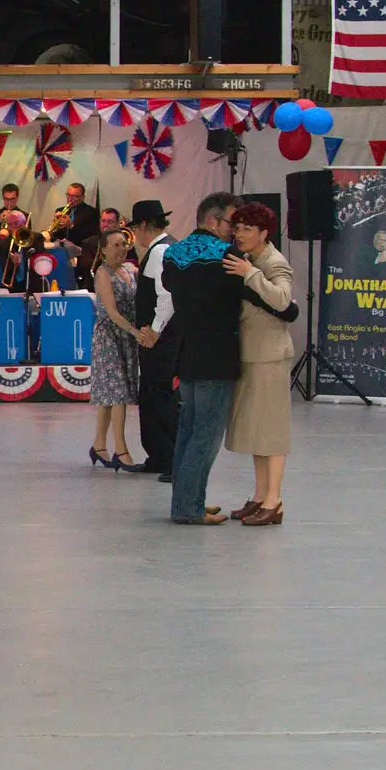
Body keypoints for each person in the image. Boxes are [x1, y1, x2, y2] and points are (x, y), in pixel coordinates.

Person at [162, 192, 244, 526]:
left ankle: (186, 501)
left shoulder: (173, 253)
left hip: (187, 352)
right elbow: (246, 292)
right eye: (231, 223)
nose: (233, 231)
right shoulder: (226, 256)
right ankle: (188, 508)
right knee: (206, 436)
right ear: (213, 220)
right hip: (217, 353)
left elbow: (170, 287)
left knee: (188, 431)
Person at [223, 202, 296, 525]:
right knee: (257, 430)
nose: (239, 234)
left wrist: (250, 274)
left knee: (273, 430)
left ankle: (274, 500)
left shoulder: (273, 261)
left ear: (263, 233)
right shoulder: (248, 259)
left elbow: (281, 299)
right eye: (236, 228)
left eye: (247, 229)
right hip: (250, 353)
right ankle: (259, 495)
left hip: (269, 355)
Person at [129, 201, 177, 481]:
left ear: (144, 226)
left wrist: (155, 330)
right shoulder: (165, 247)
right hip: (157, 337)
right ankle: (158, 456)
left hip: (159, 338)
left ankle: (172, 458)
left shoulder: (159, 251)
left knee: (160, 398)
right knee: (150, 395)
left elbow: (166, 295)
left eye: (135, 227)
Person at [89, 229, 143, 472]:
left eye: (124, 244)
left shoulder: (130, 271)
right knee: (118, 393)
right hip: (109, 336)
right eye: (116, 245)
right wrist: (135, 332)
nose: (121, 248)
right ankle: (121, 450)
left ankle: (99, 445)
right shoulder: (102, 273)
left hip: (126, 335)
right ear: (103, 249)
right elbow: (111, 312)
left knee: (111, 396)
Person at [74, 208, 123, 287]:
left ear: (117, 223)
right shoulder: (88, 242)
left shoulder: (124, 242)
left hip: (119, 286)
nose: (106, 225)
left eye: (110, 222)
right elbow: (85, 266)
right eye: (103, 221)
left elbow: (131, 263)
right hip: (94, 286)